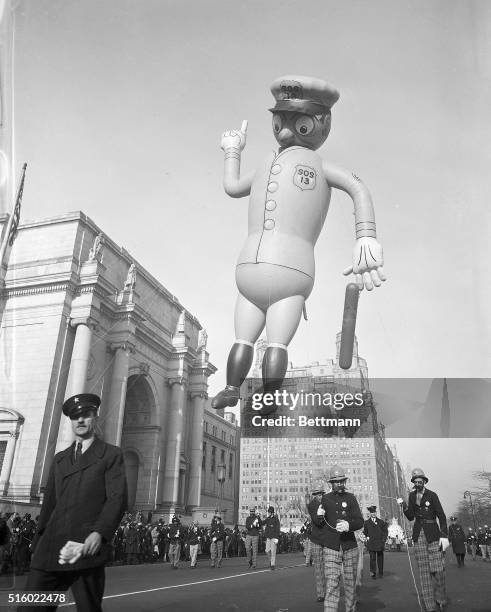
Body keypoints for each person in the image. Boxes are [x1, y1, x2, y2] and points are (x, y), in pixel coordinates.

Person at [212, 75, 385, 412]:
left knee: (275, 340)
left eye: (301, 124)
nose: (288, 132)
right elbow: (232, 186)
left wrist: (366, 235)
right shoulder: (265, 163)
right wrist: (233, 151)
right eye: (281, 121)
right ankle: (233, 388)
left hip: (291, 273)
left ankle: (269, 396)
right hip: (251, 269)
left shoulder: (320, 167)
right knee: (243, 337)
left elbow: (357, 187)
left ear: (320, 124)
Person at [23, 393, 127, 612]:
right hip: (51, 548)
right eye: (74, 416)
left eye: (85, 415)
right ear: (70, 420)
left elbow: (117, 498)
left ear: (95, 417)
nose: (80, 420)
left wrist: (99, 533)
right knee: (30, 607)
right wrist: (37, 544)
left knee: (88, 608)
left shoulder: (110, 455)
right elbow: (49, 504)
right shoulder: (60, 458)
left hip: (86, 546)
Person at [312, 465, 363, 612]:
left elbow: (360, 521)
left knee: (350, 583)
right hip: (331, 547)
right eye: (336, 482)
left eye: (342, 481)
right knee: (332, 584)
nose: (340, 484)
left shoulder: (351, 498)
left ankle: (350, 609)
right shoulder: (325, 499)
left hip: (349, 546)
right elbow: (318, 522)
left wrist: (349, 525)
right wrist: (319, 515)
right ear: (331, 483)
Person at [398, 468, 449, 612]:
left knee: (438, 570)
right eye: (415, 481)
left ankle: (440, 597)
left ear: (424, 481)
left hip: (433, 534)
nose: (418, 482)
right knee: (424, 572)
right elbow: (410, 517)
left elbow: (442, 516)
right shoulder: (412, 496)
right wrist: (404, 506)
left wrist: (444, 535)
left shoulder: (432, 495)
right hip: (418, 535)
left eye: (420, 480)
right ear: (413, 482)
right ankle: (430, 606)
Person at [306, 486, 327, 603]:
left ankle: (329, 590)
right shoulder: (312, 505)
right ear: (315, 495)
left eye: (321, 494)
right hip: (316, 540)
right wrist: (320, 514)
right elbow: (316, 521)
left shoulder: (327, 503)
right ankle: (321, 593)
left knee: (328, 567)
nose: (320, 496)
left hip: (328, 539)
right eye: (318, 494)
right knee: (318, 567)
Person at [363, 505, 388, 578]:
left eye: (374, 512)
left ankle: (380, 572)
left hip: (380, 543)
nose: (373, 513)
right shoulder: (366, 523)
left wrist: (383, 539)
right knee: (372, 558)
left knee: (380, 558)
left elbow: (385, 531)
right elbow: (365, 532)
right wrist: (364, 537)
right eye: (372, 512)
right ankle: (373, 573)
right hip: (371, 543)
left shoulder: (381, 522)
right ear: (370, 513)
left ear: (376, 512)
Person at [263, 506, 280, 570]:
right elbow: (262, 523)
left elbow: (278, 529)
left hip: (273, 537)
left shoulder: (276, 519)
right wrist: (258, 517)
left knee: (273, 551)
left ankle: (272, 564)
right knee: (267, 551)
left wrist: (277, 538)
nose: (268, 513)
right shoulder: (268, 519)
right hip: (268, 537)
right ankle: (271, 561)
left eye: (269, 512)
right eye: (268, 512)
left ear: (272, 513)